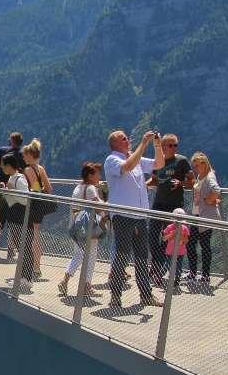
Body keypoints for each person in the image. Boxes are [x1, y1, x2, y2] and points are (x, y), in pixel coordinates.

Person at [104, 129, 165, 308]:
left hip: (139, 215)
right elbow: (127, 167)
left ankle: (146, 295)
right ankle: (115, 295)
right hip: (122, 214)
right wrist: (143, 144)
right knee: (122, 255)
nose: (127, 140)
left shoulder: (134, 158)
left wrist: (157, 144)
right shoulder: (112, 159)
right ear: (115, 144)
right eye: (123, 139)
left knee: (141, 256)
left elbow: (159, 164)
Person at [146, 133, 194, 281]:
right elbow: (154, 180)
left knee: (168, 239)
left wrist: (181, 183)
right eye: (170, 145)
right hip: (159, 203)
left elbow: (192, 182)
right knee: (153, 236)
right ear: (163, 146)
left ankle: (159, 270)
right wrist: (143, 186)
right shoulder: (158, 161)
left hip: (174, 206)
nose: (174, 148)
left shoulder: (182, 161)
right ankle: (156, 265)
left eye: (176, 145)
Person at [60, 162, 105, 296]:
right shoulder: (90, 189)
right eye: (97, 173)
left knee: (78, 255)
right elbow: (99, 207)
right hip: (89, 227)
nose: (99, 176)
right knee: (91, 256)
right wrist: (106, 202)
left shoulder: (78, 188)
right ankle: (86, 285)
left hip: (76, 226)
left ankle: (65, 281)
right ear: (90, 175)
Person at [21, 139, 53, 281]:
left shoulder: (28, 170)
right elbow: (48, 188)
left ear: (30, 155)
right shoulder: (41, 168)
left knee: (31, 236)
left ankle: (35, 266)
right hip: (40, 205)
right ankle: (37, 265)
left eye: (24, 155)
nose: (23, 157)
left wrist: (31, 190)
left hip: (31, 205)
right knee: (36, 234)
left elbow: (33, 189)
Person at [186, 152, 221, 284]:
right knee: (191, 244)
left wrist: (210, 199)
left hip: (205, 216)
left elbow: (216, 190)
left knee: (204, 245)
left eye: (197, 165)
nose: (195, 168)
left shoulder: (209, 176)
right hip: (197, 214)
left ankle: (205, 276)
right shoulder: (201, 175)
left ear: (204, 163)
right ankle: (193, 273)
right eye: (193, 166)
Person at [0, 154, 29, 261]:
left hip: (19, 212)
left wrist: (10, 191)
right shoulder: (12, 177)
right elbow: (12, 195)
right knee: (16, 238)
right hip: (14, 212)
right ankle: (24, 263)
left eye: (3, 165)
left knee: (19, 238)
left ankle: (26, 264)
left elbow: (25, 199)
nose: (1, 167)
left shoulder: (19, 179)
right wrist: (5, 189)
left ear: (9, 166)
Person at [160, 208, 191, 292]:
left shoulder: (184, 228)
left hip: (180, 252)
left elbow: (186, 240)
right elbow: (164, 238)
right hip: (170, 251)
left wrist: (181, 237)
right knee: (168, 265)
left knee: (178, 267)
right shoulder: (170, 227)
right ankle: (160, 277)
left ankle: (176, 281)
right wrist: (172, 234)